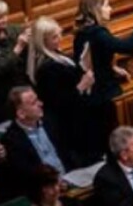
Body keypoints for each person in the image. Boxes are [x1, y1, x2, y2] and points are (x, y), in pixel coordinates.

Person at [73, 0, 133, 159]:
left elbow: (90, 58)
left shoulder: (83, 32)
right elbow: (127, 47)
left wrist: (110, 67)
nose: (110, 9)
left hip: (92, 93)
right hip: (102, 95)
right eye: (107, 5)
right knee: (112, 137)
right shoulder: (98, 33)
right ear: (96, 9)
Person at [26, 16, 94, 164]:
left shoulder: (56, 54)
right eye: (54, 37)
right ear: (43, 41)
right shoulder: (46, 68)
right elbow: (59, 102)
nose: (60, 39)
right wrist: (81, 86)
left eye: (59, 34)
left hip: (77, 118)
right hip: (68, 125)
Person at [0, 86, 72, 196]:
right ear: (21, 114)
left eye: (37, 99)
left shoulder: (50, 121)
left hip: (70, 179)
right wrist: (53, 183)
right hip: (45, 193)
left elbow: (68, 152)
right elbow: (27, 177)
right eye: (34, 103)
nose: (41, 104)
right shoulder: (11, 141)